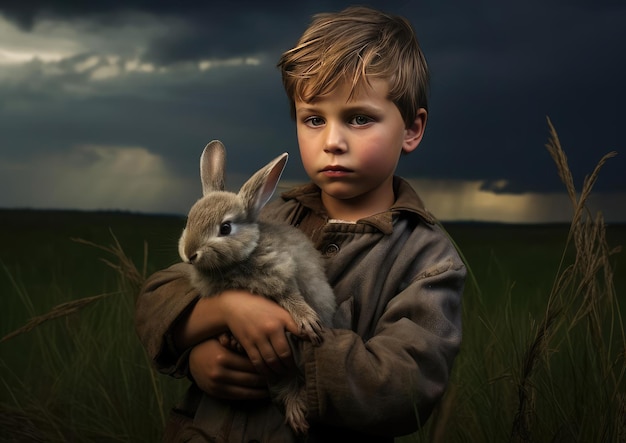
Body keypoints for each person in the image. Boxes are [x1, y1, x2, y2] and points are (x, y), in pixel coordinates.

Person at [135, 5, 466, 442]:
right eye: (314, 119)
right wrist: (217, 322)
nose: (332, 142)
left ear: (411, 129)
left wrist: (284, 346)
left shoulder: (428, 261)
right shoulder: (265, 219)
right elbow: (159, 296)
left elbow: (405, 385)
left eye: (359, 118)